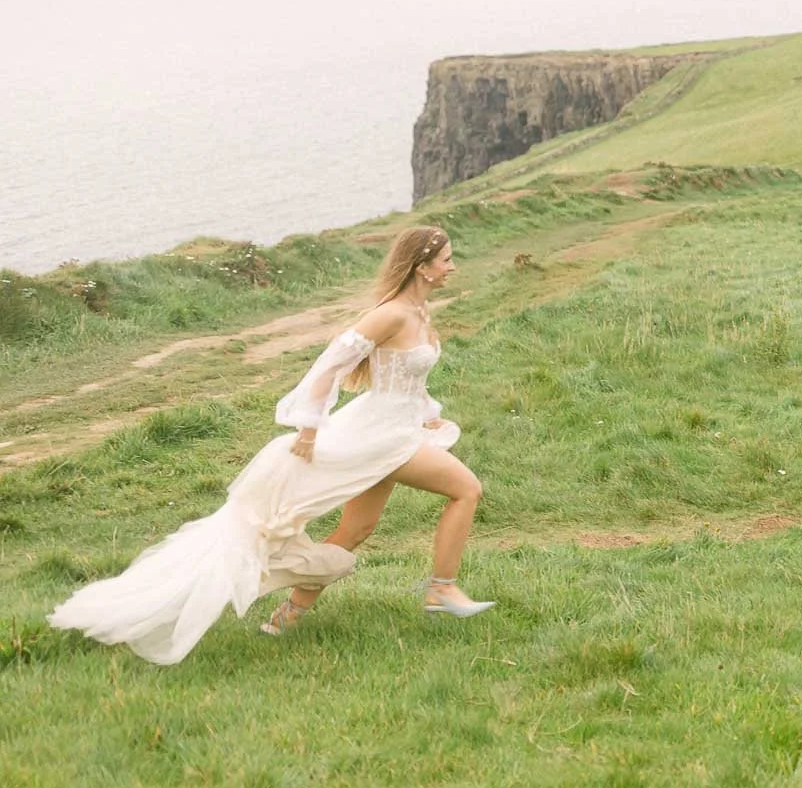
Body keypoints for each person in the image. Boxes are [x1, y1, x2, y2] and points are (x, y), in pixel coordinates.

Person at [49, 227, 491, 664]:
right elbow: (330, 363)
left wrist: (425, 412)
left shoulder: (420, 311)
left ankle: (289, 615)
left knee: (356, 530)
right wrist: (309, 426)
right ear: (422, 267)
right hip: (380, 437)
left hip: (396, 430)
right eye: (446, 259)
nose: (452, 267)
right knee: (466, 489)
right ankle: (441, 588)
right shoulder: (392, 313)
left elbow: (404, 378)